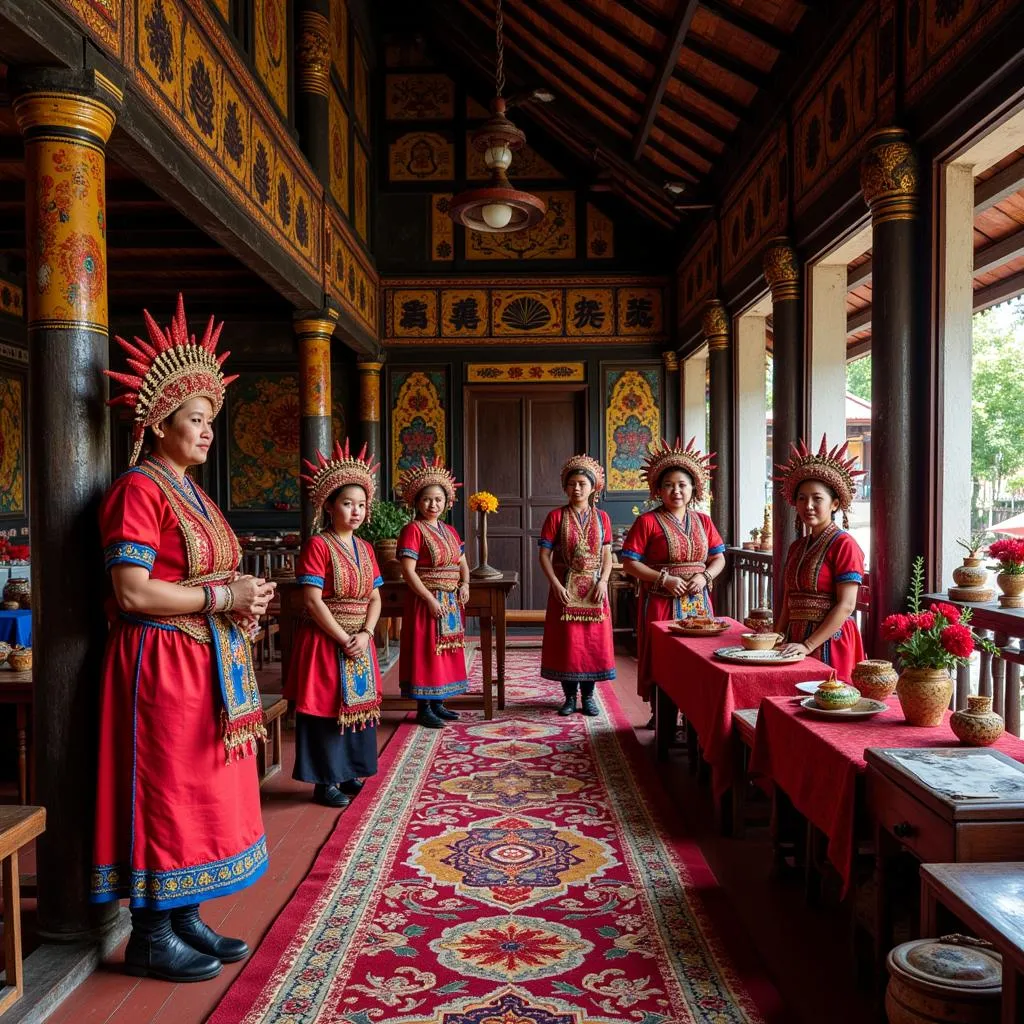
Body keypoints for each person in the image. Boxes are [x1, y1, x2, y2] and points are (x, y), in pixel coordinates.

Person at [94, 295, 276, 982]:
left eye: (210, 421)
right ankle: (149, 930)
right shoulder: (139, 490)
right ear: (160, 422)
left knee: (200, 785)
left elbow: (216, 575)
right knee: (166, 788)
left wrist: (242, 603)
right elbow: (132, 591)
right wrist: (223, 597)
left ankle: (186, 912)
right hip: (159, 662)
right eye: (196, 420)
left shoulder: (194, 492)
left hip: (206, 659)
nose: (206, 432)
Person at [285, 440, 383, 808]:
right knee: (324, 709)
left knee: (357, 707)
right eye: (347, 503)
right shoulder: (318, 546)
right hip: (327, 640)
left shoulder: (366, 548)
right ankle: (323, 780)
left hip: (359, 637)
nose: (355, 511)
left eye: (361, 505)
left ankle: (349, 771)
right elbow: (312, 600)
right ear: (329, 506)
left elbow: (374, 597)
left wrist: (366, 633)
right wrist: (344, 637)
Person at [621, 438, 726, 720]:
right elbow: (629, 562)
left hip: (698, 600)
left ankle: (695, 714)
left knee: (700, 656)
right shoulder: (647, 522)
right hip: (660, 601)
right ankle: (662, 714)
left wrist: (705, 576)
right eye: (669, 484)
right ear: (658, 490)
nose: (676, 490)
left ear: (694, 488)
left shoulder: (704, 522)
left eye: (682, 484)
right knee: (663, 658)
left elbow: (719, 558)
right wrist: (663, 579)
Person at [774, 436, 866, 679]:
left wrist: (808, 645)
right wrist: (777, 636)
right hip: (795, 640)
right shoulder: (797, 547)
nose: (808, 505)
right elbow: (788, 600)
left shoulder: (845, 545)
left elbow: (846, 605)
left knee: (826, 705)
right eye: (802, 498)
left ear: (835, 504)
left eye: (817, 498)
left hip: (829, 642)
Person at [396, 457, 470, 728]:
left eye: (438, 499)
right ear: (417, 502)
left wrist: (466, 584)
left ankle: (439, 701)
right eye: (427, 499)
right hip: (425, 601)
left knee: (444, 652)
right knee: (425, 651)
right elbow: (408, 571)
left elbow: (462, 562)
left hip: (450, 599)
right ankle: (423, 706)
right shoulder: (413, 530)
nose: (433, 505)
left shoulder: (450, 530)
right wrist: (428, 598)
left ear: (446, 502)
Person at [538, 454, 615, 716]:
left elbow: (607, 554)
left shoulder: (603, 518)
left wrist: (604, 581)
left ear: (593, 487)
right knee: (568, 644)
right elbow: (544, 555)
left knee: (592, 644)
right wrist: (555, 585)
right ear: (565, 487)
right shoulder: (555, 517)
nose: (577, 488)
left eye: (583, 483)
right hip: (565, 588)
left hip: (595, 588)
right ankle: (569, 697)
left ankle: (589, 696)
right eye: (572, 483)